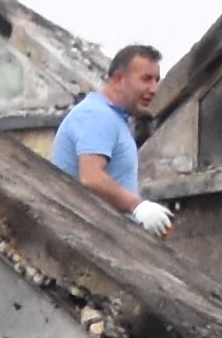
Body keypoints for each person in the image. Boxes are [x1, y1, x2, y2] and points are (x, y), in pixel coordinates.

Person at [54, 46, 172, 228]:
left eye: (157, 80)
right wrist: (138, 206)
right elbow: (91, 177)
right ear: (118, 79)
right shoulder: (97, 115)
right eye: (146, 79)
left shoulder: (115, 119)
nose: (154, 89)